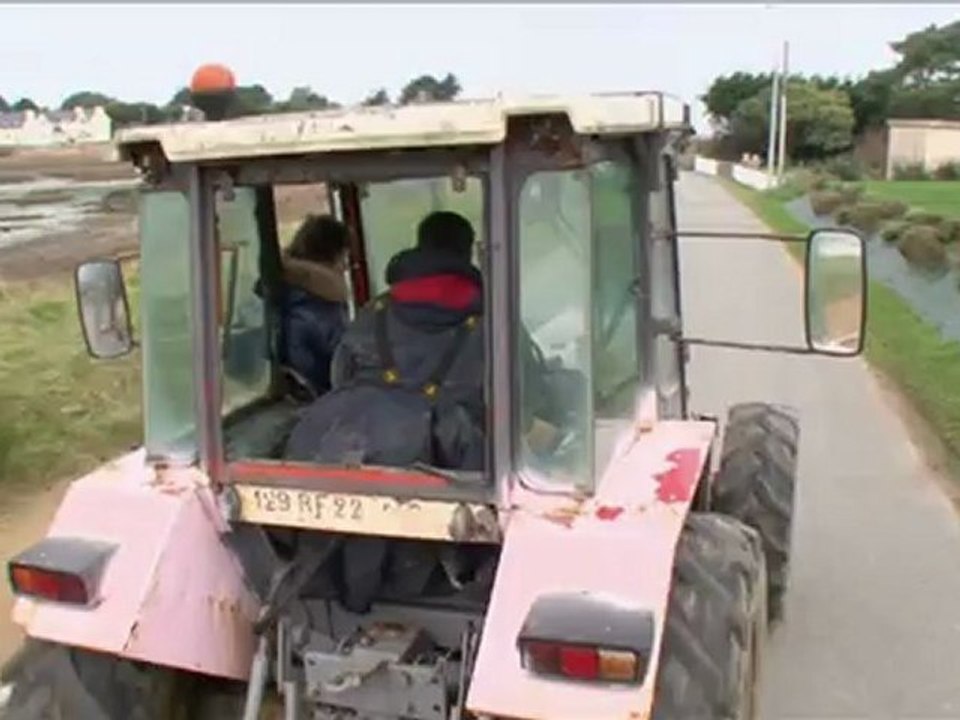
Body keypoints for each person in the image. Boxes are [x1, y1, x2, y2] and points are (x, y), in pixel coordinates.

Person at [277, 214, 351, 396]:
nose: (345, 267)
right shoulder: (321, 311)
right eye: (343, 257)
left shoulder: (285, 297)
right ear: (330, 256)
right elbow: (348, 370)